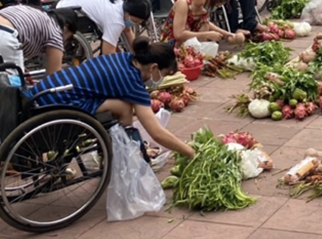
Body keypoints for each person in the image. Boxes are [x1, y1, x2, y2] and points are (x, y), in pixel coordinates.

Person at [27, 38, 196, 160]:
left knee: (122, 106)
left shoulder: (122, 58)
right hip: (57, 105)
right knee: (123, 108)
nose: (161, 79)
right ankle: (126, 152)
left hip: (42, 94)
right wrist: (189, 152)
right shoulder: (132, 83)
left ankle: (125, 148)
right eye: (164, 74)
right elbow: (157, 133)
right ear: (153, 67)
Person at [0, 4, 77, 125]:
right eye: (69, 38)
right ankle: (8, 141)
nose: (65, 41)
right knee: (12, 101)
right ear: (66, 27)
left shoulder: (33, 11)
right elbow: (53, 77)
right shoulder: (55, 31)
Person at [57, 0, 152, 55]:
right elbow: (108, 53)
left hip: (71, 1)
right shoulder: (115, 20)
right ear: (128, 12)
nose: (133, 23)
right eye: (134, 21)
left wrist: (138, 55)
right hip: (66, 11)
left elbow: (127, 31)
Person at [160, 0, 244, 46]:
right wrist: (207, 35)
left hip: (188, 41)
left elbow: (206, 23)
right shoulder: (184, 3)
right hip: (172, 42)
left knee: (205, 25)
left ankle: (196, 53)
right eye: (215, 6)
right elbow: (178, 34)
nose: (214, 8)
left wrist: (228, 35)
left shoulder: (203, 8)